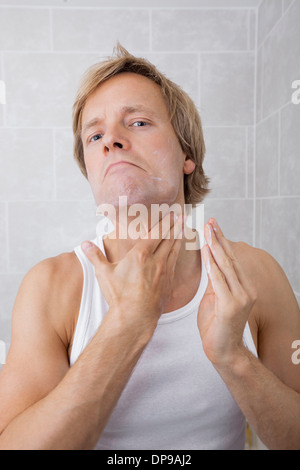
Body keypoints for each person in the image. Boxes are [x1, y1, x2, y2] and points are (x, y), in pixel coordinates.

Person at [0, 45, 299, 451]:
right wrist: (125, 326)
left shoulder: (256, 276)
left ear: (186, 155)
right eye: (95, 134)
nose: (112, 142)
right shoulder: (50, 288)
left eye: (137, 122)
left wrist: (235, 359)